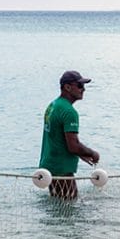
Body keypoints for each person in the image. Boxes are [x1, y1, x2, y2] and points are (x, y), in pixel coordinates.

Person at [39, 70, 100, 200]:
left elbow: (57, 138)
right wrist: (92, 153)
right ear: (67, 87)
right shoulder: (69, 111)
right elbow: (73, 146)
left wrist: (80, 154)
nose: (83, 89)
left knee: (59, 207)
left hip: (49, 166)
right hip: (62, 169)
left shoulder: (53, 105)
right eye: (79, 85)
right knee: (68, 209)